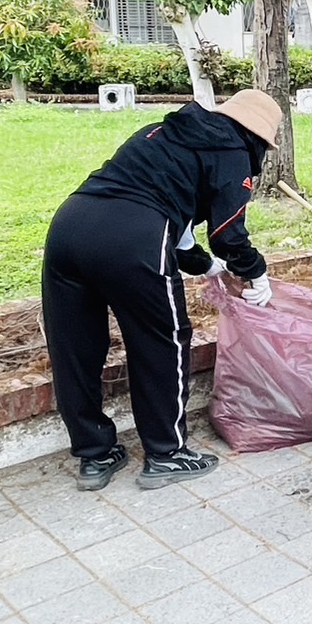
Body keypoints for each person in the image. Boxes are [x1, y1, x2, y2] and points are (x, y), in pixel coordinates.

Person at [42, 90, 282, 491]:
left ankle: (94, 453)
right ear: (258, 139)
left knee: (74, 349)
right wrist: (257, 274)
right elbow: (227, 233)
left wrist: (206, 266)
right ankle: (167, 454)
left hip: (69, 228)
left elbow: (179, 222)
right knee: (162, 340)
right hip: (134, 238)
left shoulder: (163, 132)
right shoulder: (233, 151)